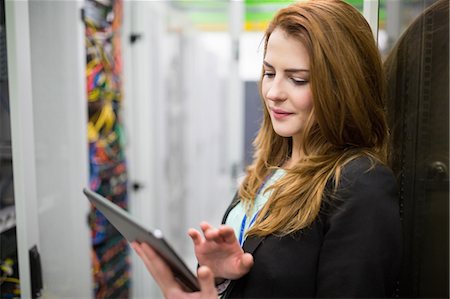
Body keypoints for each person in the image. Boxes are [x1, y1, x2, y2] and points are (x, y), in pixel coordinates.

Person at [133, 0, 402, 297]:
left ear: (343, 87)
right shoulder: (269, 168)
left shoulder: (360, 184)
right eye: (269, 73)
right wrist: (220, 275)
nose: (273, 94)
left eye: (298, 80)